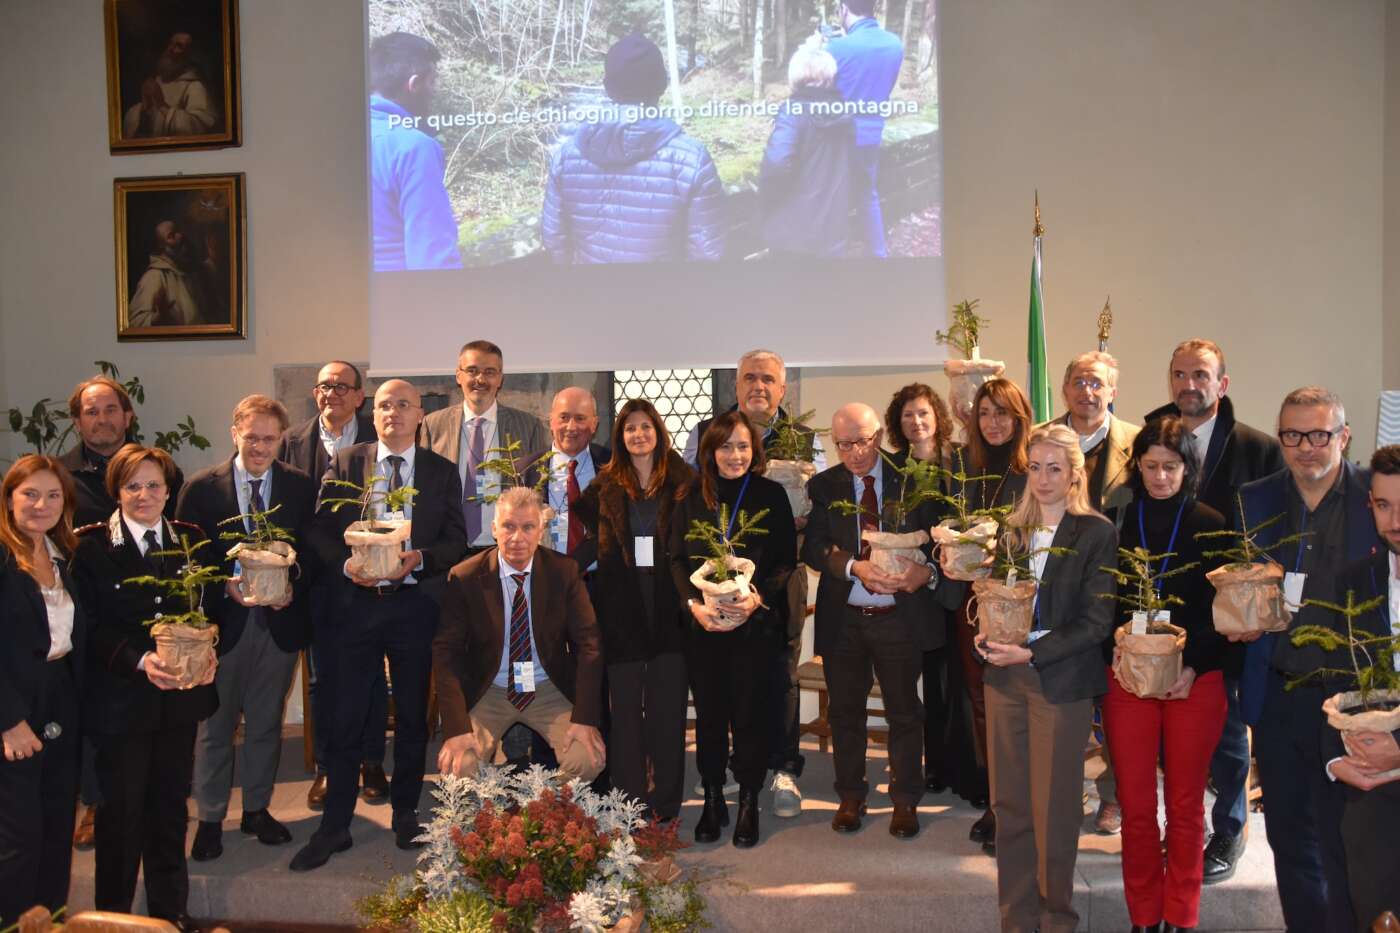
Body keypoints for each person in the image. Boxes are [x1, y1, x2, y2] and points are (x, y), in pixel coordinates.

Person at [290, 380, 469, 872]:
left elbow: (456, 539)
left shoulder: (440, 470)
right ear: (374, 414)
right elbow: (319, 531)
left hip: (413, 608)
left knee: (412, 716)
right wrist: (347, 565)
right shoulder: (348, 462)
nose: (393, 412)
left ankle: (406, 813)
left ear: (420, 415)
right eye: (385, 405)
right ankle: (336, 824)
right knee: (345, 715)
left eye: (403, 405)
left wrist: (421, 558)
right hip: (355, 607)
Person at [1142, 338, 1285, 884]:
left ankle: (1229, 827)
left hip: (1228, 611)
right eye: (1180, 374)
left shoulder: (1257, 447)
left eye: (1200, 375)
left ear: (1221, 384)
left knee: (1227, 729)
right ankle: (1180, 828)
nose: (1189, 384)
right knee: (1167, 731)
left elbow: (1272, 529)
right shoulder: (1154, 432)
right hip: (1164, 602)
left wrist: (1256, 603)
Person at [1237, 386, 1375, 933]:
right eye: (1292, 435)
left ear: (1344, 437)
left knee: (1352, 836)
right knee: (1290, 834)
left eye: (1319, 434)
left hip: (1357, 699)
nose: (1305, 448)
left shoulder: (1376, 497)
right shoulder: (1256, 498)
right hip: (1281, 692)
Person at [975, 423, 1117, 933]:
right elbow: (1000, 601)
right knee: (1009, 805)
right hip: (1004, 681)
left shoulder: (1096, 532)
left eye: (1054, 468)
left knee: (1054, 808)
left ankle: (1057, 917)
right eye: (1035, 467)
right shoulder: (1013, 530)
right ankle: (1016, 917)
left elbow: (1097, 621)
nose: (1042, 478)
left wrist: (1031, 652)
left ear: (1075, 473)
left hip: (1058, 682)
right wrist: (986, 636)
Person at [72, 445, 217, 933]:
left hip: (178, 699)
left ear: (169, 491)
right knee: (120, 816)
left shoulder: (191, 539)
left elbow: (208, 606)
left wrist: (209, 650)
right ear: (116, 491)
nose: (144, 495)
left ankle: (169, 912)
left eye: (154, 485)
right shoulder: (91, 547)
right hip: (121, 700)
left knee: (169, 809)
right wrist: (137, 660)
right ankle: (112, 919)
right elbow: (88, 626)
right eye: (132, 485)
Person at [1101, 416, 1235, 933]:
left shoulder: (1212, 522)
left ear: (1188, 467)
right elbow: (1104, 602)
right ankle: (1143, 915)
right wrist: (1115, 651)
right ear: (1137, 465)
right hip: (1128, 679)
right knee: (1136, 805)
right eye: (1151, 465)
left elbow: (1224, 612)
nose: (1160, 477)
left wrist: (1194, 663)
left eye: (1171, 467)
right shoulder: (1116, 521)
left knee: (1184, 805)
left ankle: (1181, 914)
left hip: (1195, 680)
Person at [803, 402, 955, 839]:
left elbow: (941, 541)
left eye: (863, 441)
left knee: (904, 712)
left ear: (880, 437)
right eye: (844, 444)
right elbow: (813, 547)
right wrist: (855, 566)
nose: (854, 452)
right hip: (845, 619)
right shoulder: (825, 485)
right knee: (846, 712)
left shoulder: (915, 478)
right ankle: (851, 795)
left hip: (899, 618)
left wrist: (925, 573)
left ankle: (905, 799)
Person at [683, 348, 824, 818]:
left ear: (782, 388)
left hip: (779, 574)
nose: (758, 386)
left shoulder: (805, 439)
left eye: (768, 379)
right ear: (736, 385)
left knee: (781, 673)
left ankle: (783, 767)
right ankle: (729, 765)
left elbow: (819, 505)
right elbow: (691, 497)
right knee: (726, 677)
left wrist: (799, 518)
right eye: (749, 378)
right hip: (715, 583)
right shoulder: (705, 432)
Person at [175, 396, 316, 862]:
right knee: (214, 726)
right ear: (234, 433)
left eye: (269, 439)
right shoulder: (200, 489)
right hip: (225, 625)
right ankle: (211, 818)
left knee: (265, 723)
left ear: (281, 439)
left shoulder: (299, 486)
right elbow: (188, 559)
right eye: (251, 437)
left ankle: (257, 809)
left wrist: (292, 585)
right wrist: (223, 584)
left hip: (278, 623)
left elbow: (313, 550)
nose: (259, 447)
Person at [672, 411, 796, 846]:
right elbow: (676, 559)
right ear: (710, 451)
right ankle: (712, 797)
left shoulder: (771, 495)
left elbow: (785, 561)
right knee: (709, 717)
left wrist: (757, 597)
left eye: (743, 446)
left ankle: (747, 799)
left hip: (754, 626)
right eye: (725, 446)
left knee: (749, 715)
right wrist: (693, 606)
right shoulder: (688, 495)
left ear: (754, 450)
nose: (735, 455)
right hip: (704, 627)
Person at [434, 487, 607, 782]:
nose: (517, 538)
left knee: (587, 760)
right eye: (508, 526)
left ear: (541, 530)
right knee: (460, 767)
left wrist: (585, 718)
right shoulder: (465, 577)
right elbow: (445, 654)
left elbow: (589, 645)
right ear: (494, 529)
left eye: (527, 527)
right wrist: (456, 728)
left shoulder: (564, 572)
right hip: (490, 688)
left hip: (547, 686)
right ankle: (493, 805)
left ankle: (544, 803)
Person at [277, 361, 389, 810]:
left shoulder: (380, 437)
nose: (333, 393)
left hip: (371, 576)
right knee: (322, 678)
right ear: (315, 393)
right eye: (325, 386)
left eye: (343, 387)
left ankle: (371, 763)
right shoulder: (291, 442)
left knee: (373, 675)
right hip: (317, 579)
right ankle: (326, 767)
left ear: (360, 397)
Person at [573, 401, 691, 822]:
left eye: (645, 427)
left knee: (667, 713)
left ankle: (666, 805)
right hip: (620, 610)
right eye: (629, 429)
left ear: (658, 431)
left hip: (670, 608)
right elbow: (590, 540)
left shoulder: (684, 481)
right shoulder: (604, 486)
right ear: (620, 437)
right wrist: (560, 570)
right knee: (624, 715)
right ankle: (629, 806)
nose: (638, 435)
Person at [938, 378, 1035, 852]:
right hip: (971, 604)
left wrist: (1003, 550)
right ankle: (997, 801)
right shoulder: (962, 467)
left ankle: (1021, 805)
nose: (993, 422)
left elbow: (1045, 535)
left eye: (1003, 413)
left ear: (1020, 418)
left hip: (1017, 603)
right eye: (985, 413)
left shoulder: (1034, 469)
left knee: (1019, 703)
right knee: (982, 703)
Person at [1049, 350, 1140, 833]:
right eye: (1080, 381)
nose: (1088, 391)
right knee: (1062, 704)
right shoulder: (1041, 439)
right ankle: (1063, 792)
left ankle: (1112, 796)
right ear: (1066, 388)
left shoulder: (1137, 444)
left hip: (1115, 591)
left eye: (1098, 383)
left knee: (1116, 707)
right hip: (1056, 594)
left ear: (1113, 392)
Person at [542, 32, 724, 263]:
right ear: (662, 84)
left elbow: (554, 239)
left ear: (608, 88)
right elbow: (707, 252)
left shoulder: (566, 155)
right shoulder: (692, 159)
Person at [0, 457, 86, 927]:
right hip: (14, 705)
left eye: (53, 495)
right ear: (9, 499)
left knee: (56, 827)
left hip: (59, 698)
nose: (41, 505)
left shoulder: (61, 554)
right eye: (29, 494)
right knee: (18, 838)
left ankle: (50, 922)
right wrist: (9, 720)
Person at [883, 384, 974, 804]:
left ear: (937, 416)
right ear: (897, 423)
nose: (916, 421)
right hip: (912, 589)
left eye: (923, 413)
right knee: (927, 685)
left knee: (958, 684)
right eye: (907, 415)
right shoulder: (894, 468)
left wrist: (938, 570)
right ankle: (930, 764)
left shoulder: (960, 462)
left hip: (955, 584)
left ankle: (962, 768)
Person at [1325, 445, 1400, 931]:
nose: (1396, 521)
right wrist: (1336, 760)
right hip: (1372, 790)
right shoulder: (1355, 580)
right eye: (1384, 505)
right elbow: (1335, 680)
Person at [422, 340, 549, 555]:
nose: (480, 379)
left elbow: (538, 491)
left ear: (500, 379)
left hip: (506, 549)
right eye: (472, 371)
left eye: (489, 372)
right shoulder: (433, 425)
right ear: (458, 375)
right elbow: (425, 492)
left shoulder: (528, 426)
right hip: (447, 549)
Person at [369, 32, 463, 271]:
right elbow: (432, 257)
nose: (434, 91)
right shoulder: (414, 147)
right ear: (414, 84)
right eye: (432, 82)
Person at [759, 42, 853, 257]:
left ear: (796, 76)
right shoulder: (844, 110)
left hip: (794, 234)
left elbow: (776, 164)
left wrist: (768, 200)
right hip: (834, 227)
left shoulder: (793, 111)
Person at [826, 0, 904, 258]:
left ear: (844, 9)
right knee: (867, 194)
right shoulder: (894, 44)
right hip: (872, 134)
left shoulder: (836, 47)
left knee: (833, 198)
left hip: (839, 138)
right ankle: (879, 254)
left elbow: (822, 94)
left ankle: (835, 258)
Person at [60, 375, 185, 526]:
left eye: (110, 410)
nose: (102, 420)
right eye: (92, 412)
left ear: (127, 417)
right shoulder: (58, 476)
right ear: (77, 423)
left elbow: (177, 532)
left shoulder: (163, 471)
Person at [525, 387, 612, 566]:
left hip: (602, 578)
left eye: (580, 418)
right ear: (551, 421)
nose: (571, 427)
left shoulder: (612, 467)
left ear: (594, 424)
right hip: (547, 575)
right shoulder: (525, 470)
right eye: (564, 417)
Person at [121, 31, 220, 139]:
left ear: (189, 54)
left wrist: (162, 105)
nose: (170, 49)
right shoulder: (157, 81)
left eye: (179, 46)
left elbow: (200, 126)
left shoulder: (194, 86)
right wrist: (145, 108)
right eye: (171, 44)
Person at [127, 220, 220, 328]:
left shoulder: (190, 269)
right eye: (171, 236)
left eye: (178, 231)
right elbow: (135, 321)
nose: (180, 236)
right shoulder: (154, 276)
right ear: (161, 247)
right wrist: (156, 318)